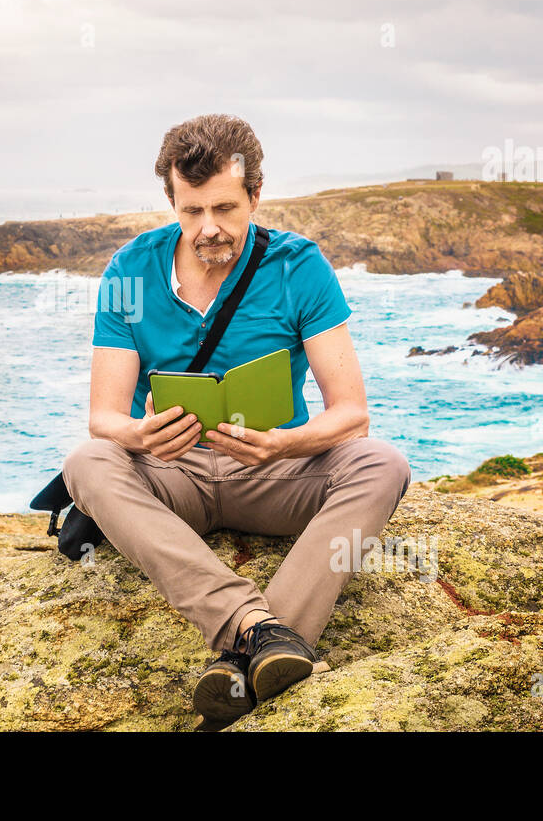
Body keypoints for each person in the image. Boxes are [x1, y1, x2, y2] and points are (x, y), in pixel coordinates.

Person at [61, 113, 411, 730]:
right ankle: (260, 631)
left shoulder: (299, 267)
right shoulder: (129, 272)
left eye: (225, 208)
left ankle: (238, 660)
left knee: (384, 463)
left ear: (255, 196)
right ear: (172, 200)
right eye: (191, 211)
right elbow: (103, 419)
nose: (209, 228)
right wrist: (137, 436)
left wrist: (285, 445)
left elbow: (352, 414)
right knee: (87, 463)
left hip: (276, 475)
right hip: (176, 479)